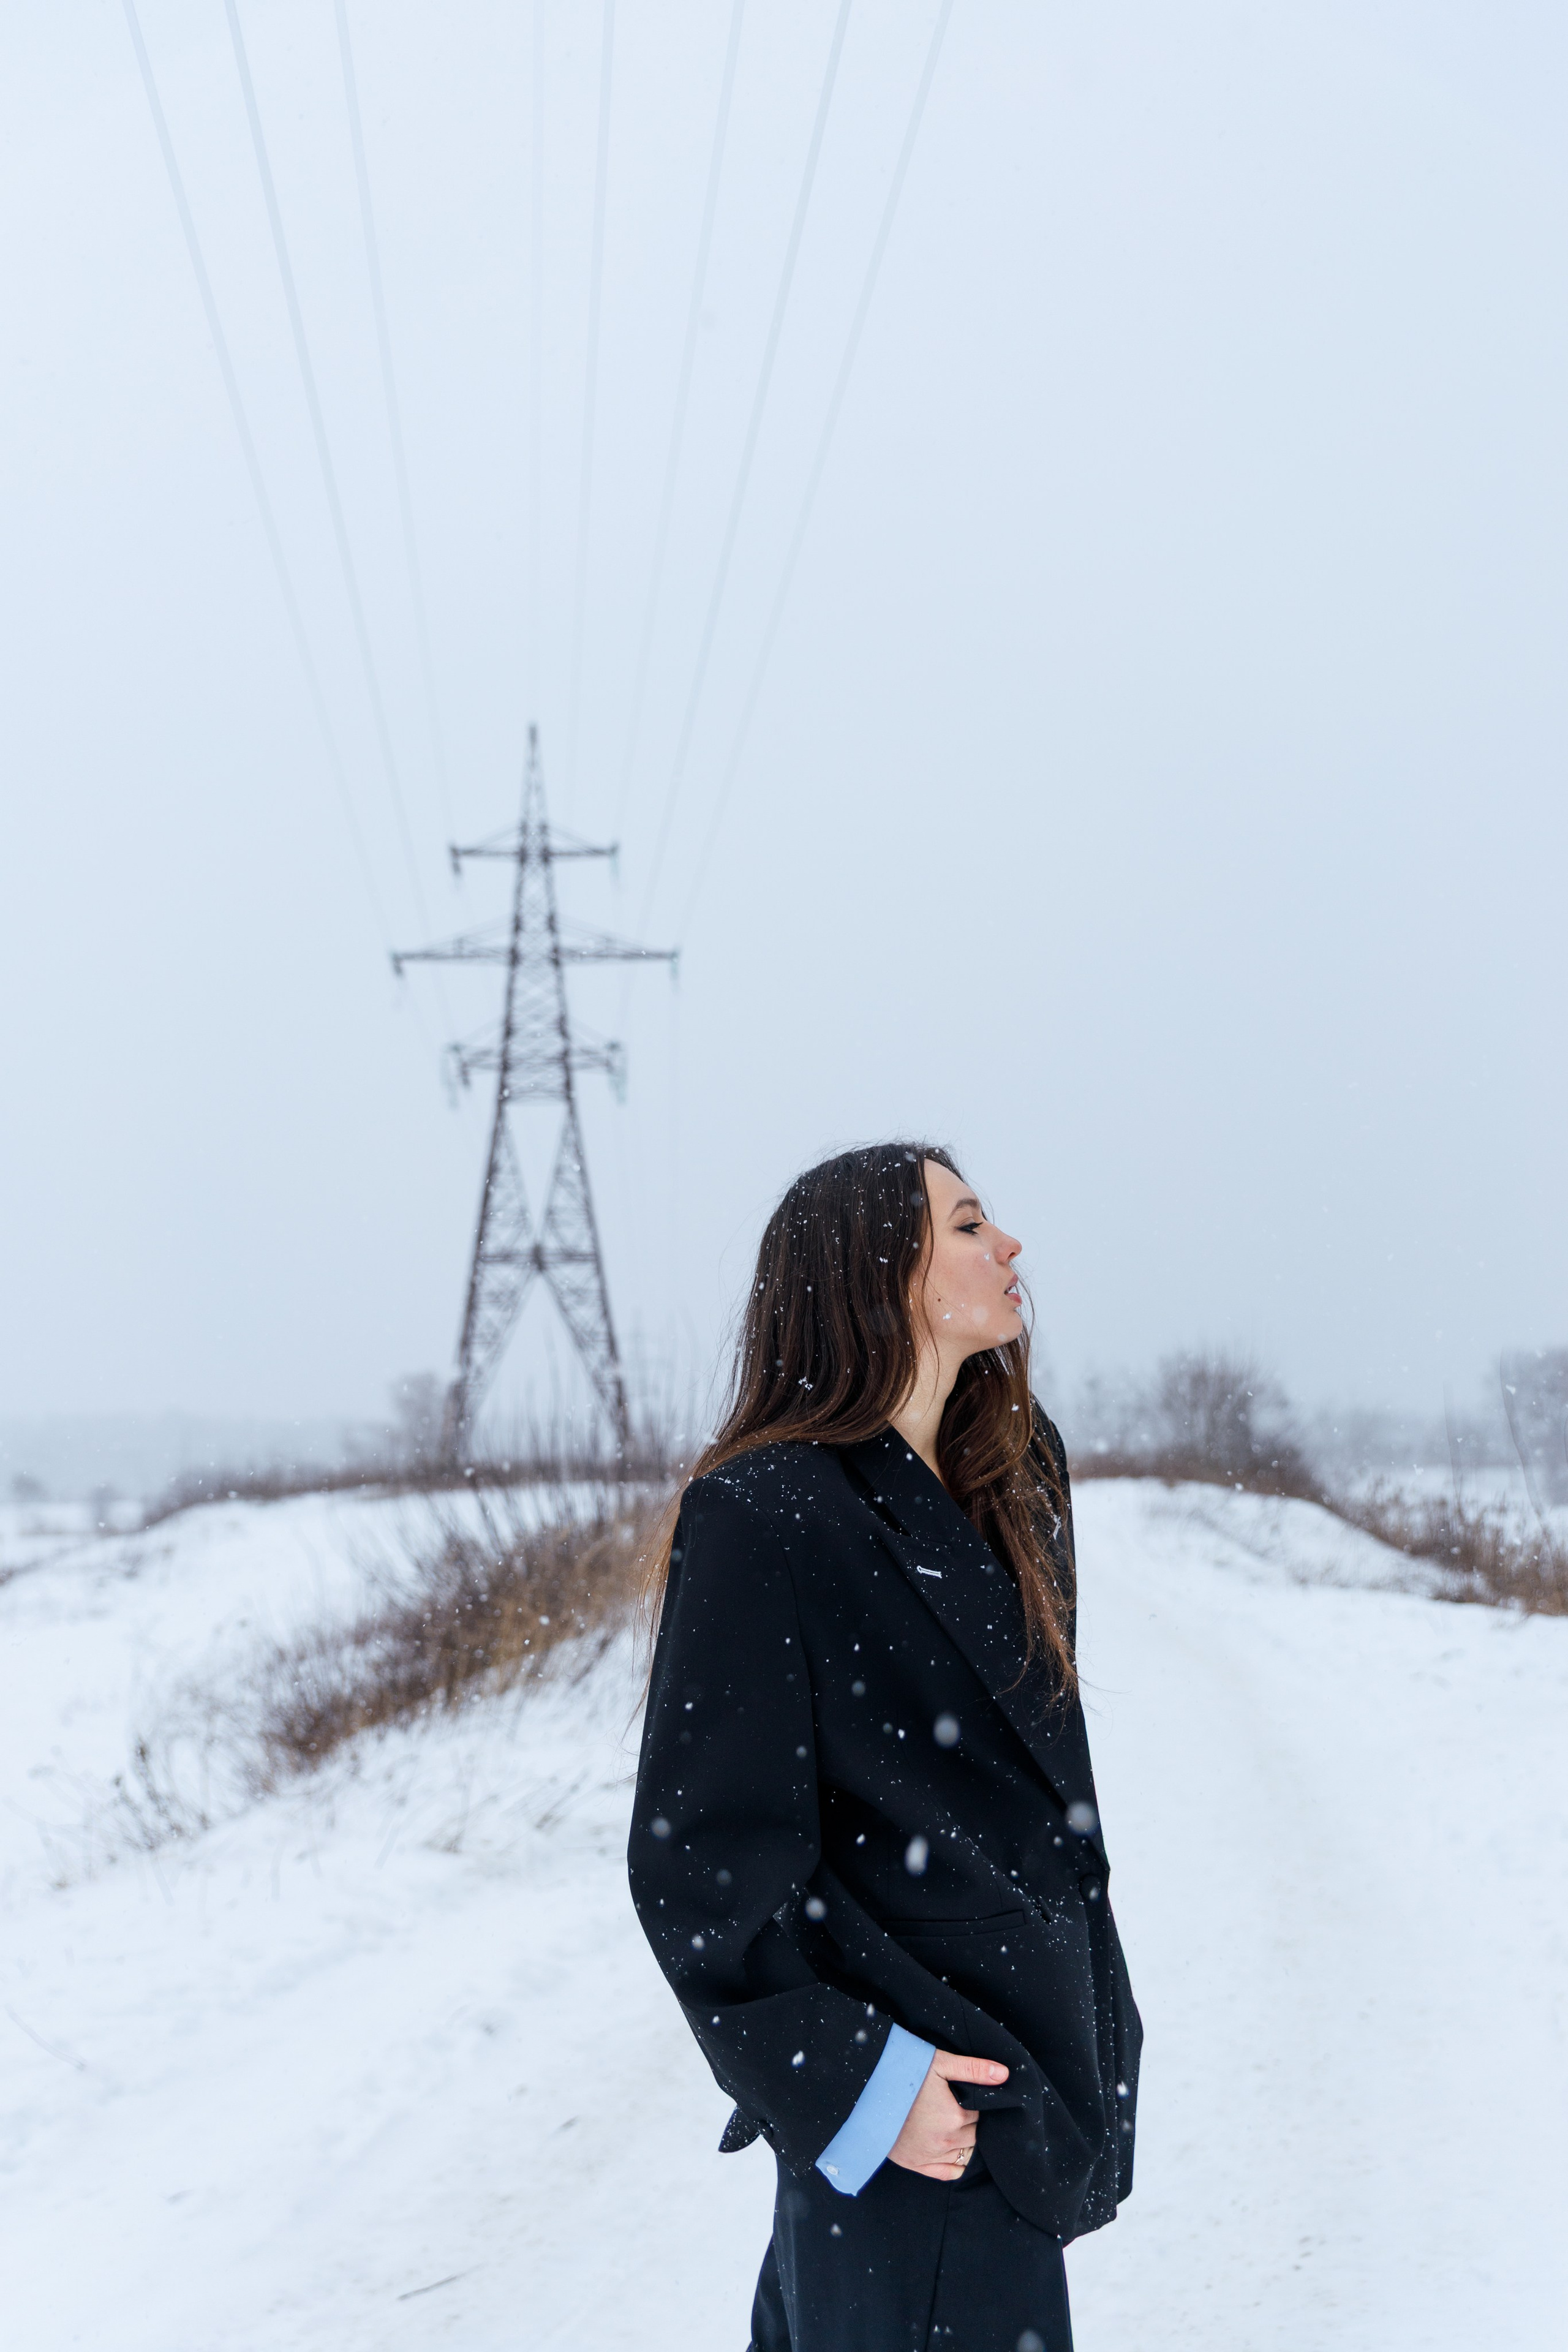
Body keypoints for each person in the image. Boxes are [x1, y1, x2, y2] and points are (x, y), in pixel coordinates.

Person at [628, 1144, 1140, 2351]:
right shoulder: (764, 1516)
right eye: (966, 1225)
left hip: (1013, 2096)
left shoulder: (1010, 1481)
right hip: (909, 2118)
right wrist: (861, 2081)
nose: (1006, 1246)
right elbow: (700, 1864)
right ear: (875, 1273)